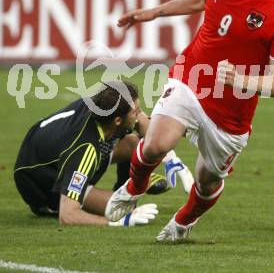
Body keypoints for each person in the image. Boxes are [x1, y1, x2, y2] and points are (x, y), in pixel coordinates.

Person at [108, 0, 274, 241]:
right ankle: (134, 186)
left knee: (207, 180)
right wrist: (154, 12)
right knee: (157, 143)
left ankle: (183, 222)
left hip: (231, 111)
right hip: (192, 75)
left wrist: (243, 80)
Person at [14, 81, 193, 226]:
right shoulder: (85, 150)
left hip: (46, 148)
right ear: (117, 120)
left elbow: (143, 124)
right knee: (116, 208)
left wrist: (171, 160)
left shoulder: (104, 105)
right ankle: (128, 194)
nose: (140, 115)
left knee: (135, 144)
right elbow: (68, 216)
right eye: (135, 112)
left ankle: (134, 183)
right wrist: (119, 222)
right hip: (39, 181)